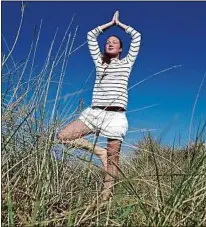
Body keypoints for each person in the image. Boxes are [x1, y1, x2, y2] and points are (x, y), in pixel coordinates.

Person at [57, 10, 141, 201]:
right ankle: (98, 151)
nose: (110, 43)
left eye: (115, 42)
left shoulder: (126, 63)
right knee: (63, 136)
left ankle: (104, 201)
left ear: (120, 49)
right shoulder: (100, 62)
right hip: (94, 113)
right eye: (108, 42)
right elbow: (91, 35)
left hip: (116, 117)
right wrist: (108, 25)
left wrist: (119, 25)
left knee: (113, 162)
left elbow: (136, 36)